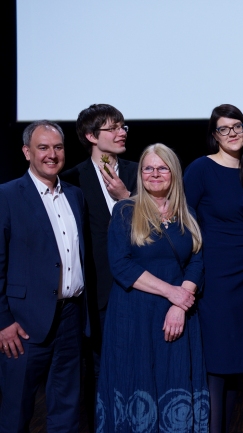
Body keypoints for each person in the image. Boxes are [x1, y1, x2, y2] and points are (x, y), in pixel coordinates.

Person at [96, 144, 208, 432]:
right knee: (136, 382)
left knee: (175, 378)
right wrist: (173, 293)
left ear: (174, 173)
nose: (154, 174)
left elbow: (196, 262)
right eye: (148, 168)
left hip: (178, 315)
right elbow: (121, 266)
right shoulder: (125, 211)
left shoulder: (187, 212)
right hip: (134, 315)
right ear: (140, 173)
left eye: (162, 168)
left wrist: (179, 305)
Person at [0, 121, 85, 432]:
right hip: (22, 325)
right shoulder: (7, 195)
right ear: (27, 152)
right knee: (16, 412)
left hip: (70, 318)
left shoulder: (75, 195)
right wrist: (3, 321)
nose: (52, 154)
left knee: (67, 411)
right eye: (43, 147)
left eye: (58, 147)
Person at [184, 104, 243, 433]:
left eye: (237, 126)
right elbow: (183, 220)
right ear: (214, 135)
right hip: (214, 275)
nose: (232, 133)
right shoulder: (200, 169)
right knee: (215, 364)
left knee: (235, 365)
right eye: (224, 128)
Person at [60, 104, 138, 422]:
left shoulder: (141, 172)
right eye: (113, 128)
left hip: (139, 287)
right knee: (98, 370)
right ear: (91, 136)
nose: (122, 133)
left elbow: (161, 226)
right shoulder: (71, 179)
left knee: (136, 368)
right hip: (96, 294)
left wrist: (126, 197)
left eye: (123, 126)